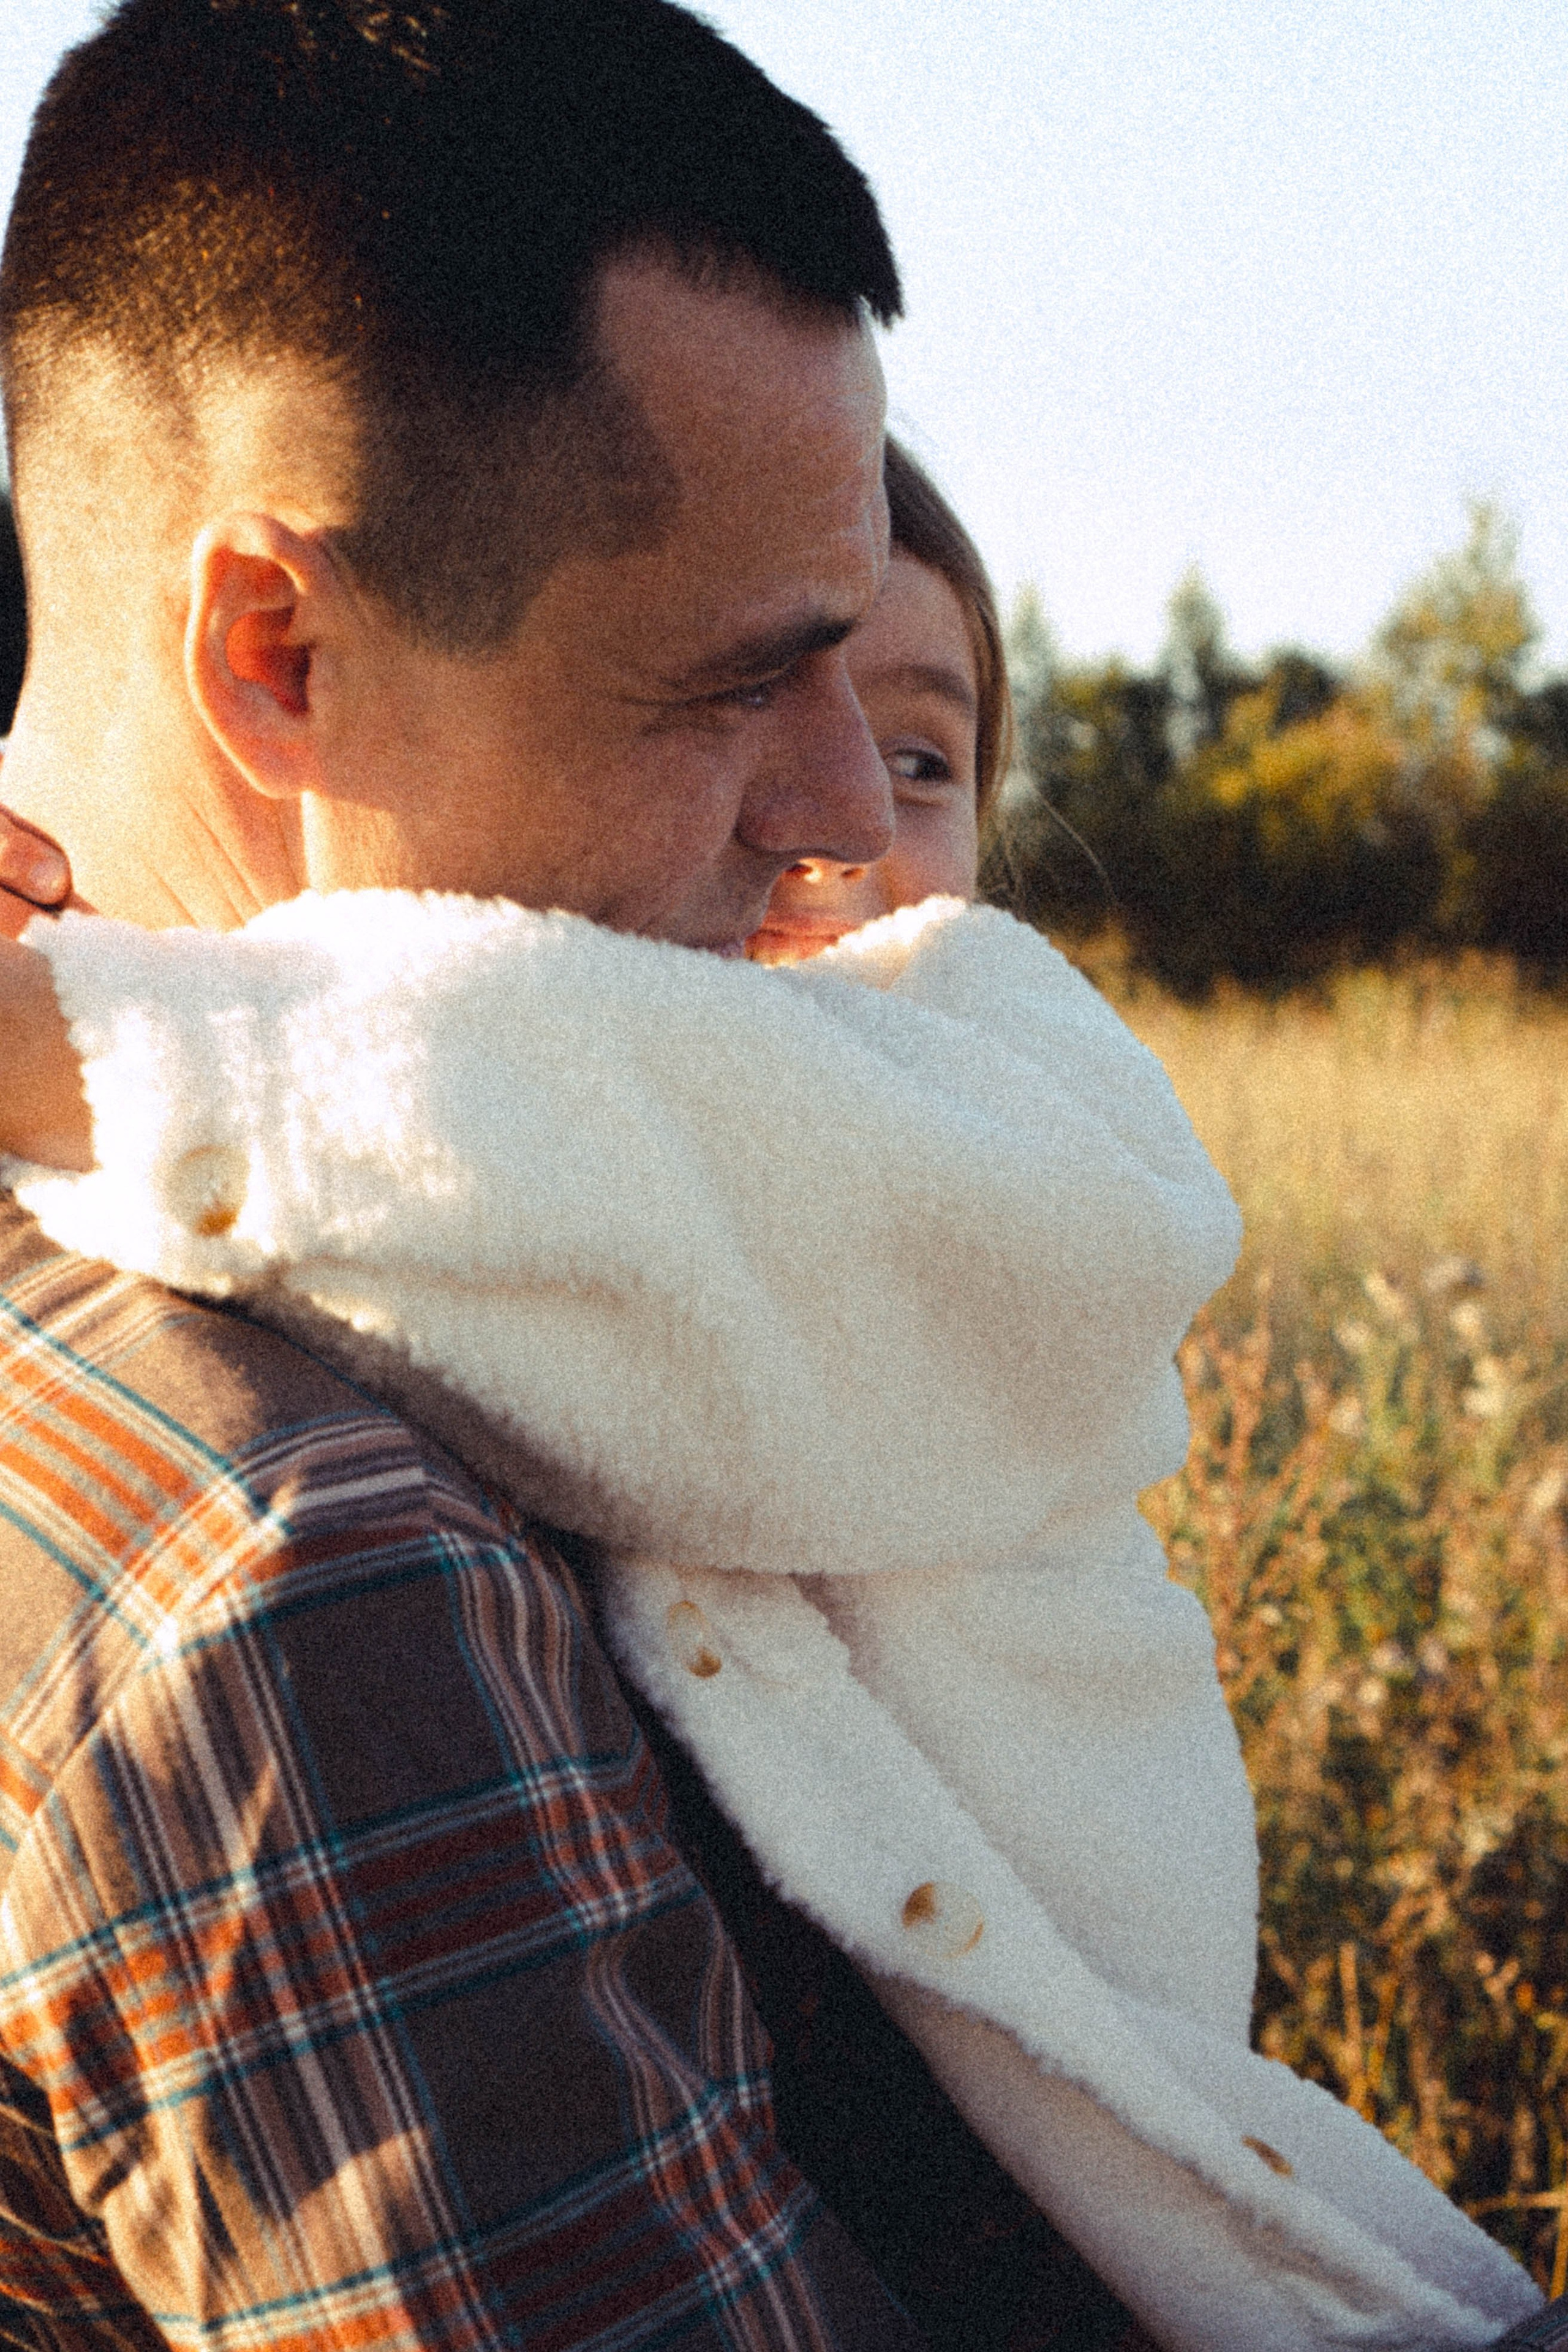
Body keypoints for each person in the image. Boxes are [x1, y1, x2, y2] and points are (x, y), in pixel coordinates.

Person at [0, 394, 1549, 2351]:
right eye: (733, 712)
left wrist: (81, 1022)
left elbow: (547, 1106)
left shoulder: (998, 1071)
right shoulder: (343, 1359)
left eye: (925, 758)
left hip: (1170, 2187)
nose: (838, 828)